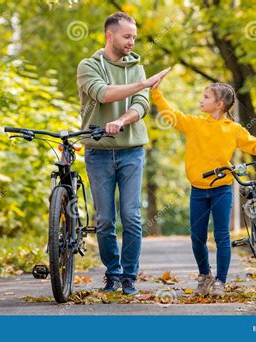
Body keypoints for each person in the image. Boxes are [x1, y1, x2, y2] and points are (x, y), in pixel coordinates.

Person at [151, 72, 256, 296]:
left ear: (219, 104)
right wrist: (156, 92)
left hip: (222, 189)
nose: (201, 100)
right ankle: (205, 274)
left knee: (221, 236)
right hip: (198, 190)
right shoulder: (195, 124)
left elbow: (255, 145)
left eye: (206, 97)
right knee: (197, 237)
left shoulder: (233, 129)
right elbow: (172, 116)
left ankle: (220, 281)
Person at [76, 12, 169, 295]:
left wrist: (122, 120)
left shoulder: (137, 67)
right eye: (127, 37)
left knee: (131, 216)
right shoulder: (88, 66)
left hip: (131, 151)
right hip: (99, 152)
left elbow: (141, 105)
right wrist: (144, 84)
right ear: (110, 35)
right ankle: (112, 274)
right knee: (105, 219)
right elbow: (103, 94)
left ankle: (129, 276)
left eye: (134, 37)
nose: (132, 42)